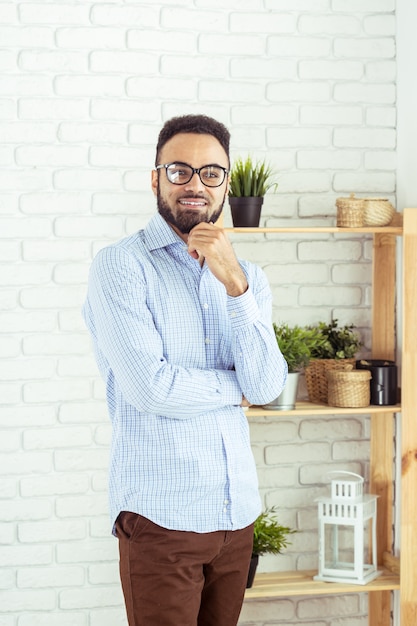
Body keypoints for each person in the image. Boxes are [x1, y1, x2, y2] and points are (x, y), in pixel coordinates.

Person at [82, 114, 287, 626]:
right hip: (161, 520)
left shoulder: (248, 278)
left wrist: (234, 284)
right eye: (180, 170)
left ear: (226, 183)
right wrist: (232, 388)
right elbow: (152, 389)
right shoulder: (122, 266)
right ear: (156, 179)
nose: (196, 184)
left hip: (236, 518)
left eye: (211, 173)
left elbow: (264, 387)